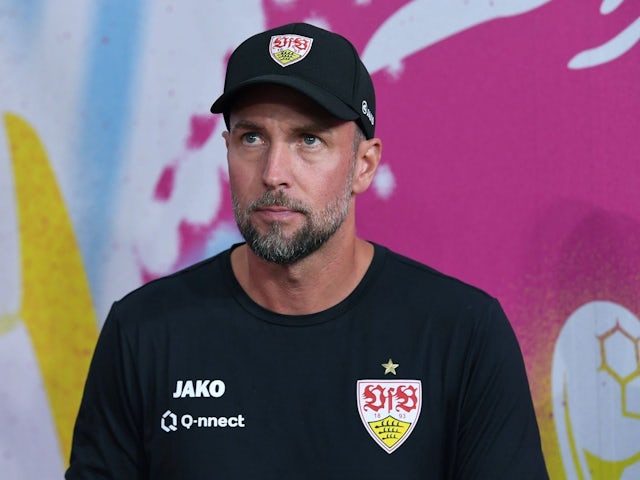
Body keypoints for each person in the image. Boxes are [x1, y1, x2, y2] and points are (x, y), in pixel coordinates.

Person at [66, 22, 549, 479]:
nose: (274, 171)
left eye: (309, 140)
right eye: (251, 137)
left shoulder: (463, 334)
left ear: (364, 164)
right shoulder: (144, 331)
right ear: (226, 149)